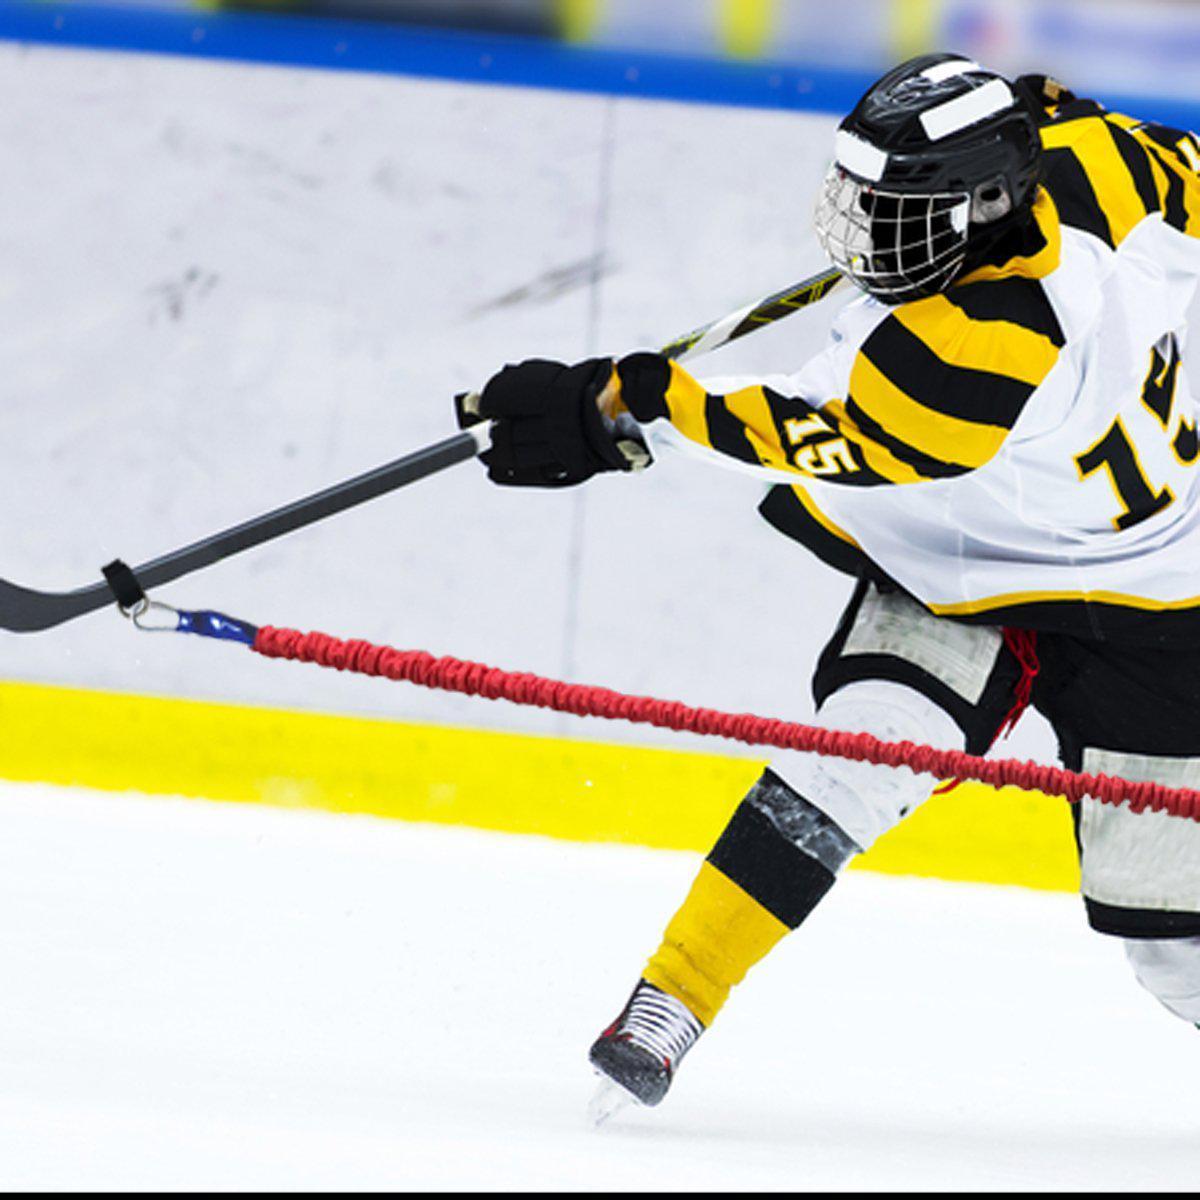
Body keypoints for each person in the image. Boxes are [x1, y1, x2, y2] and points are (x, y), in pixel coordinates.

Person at [459, 53, 1200, 1110]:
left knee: (1179, 953)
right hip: (967, 563)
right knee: (862, 748)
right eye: (866, 195)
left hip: (1157, 601)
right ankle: (674, 998)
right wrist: (1048, 121)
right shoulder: (1103, 159)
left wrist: (614, 410)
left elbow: (786, 432)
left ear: (989, 201)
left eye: (903, 209)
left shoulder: (976, 356)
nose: (865, 230)